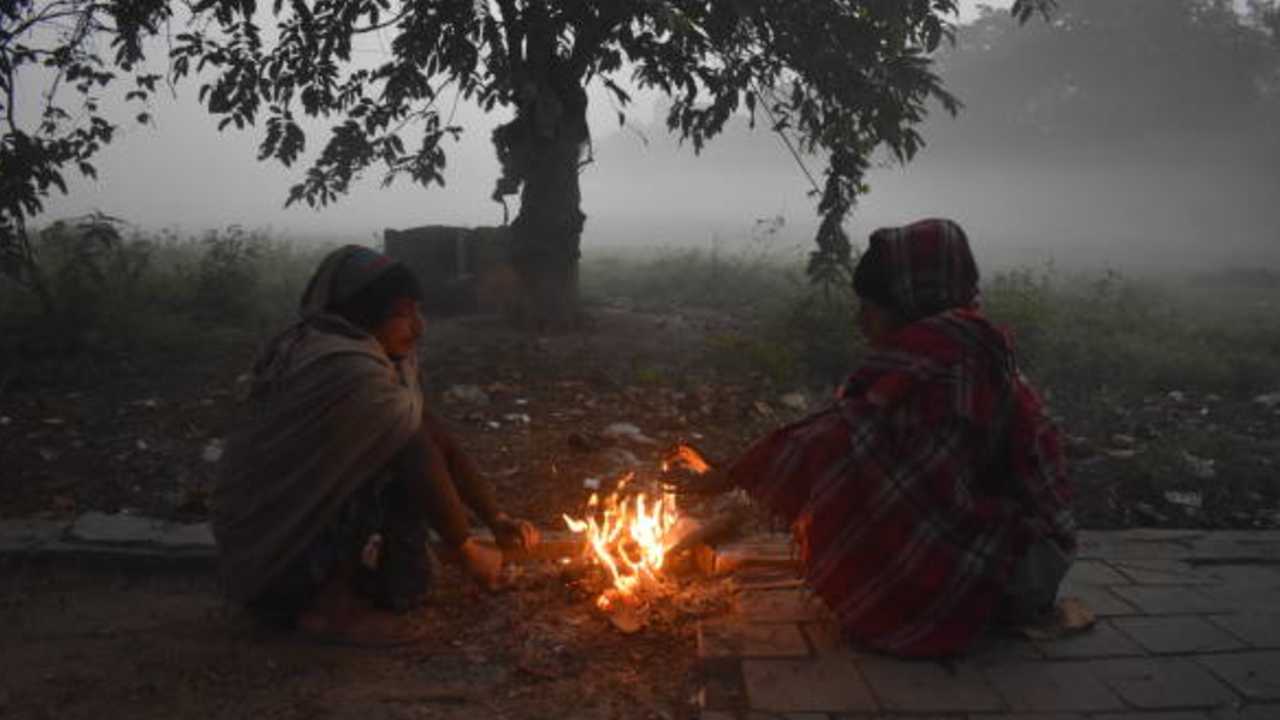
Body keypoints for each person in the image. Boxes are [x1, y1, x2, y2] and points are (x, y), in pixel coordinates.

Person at [667, 219, 1075, 658]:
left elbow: (838, 442)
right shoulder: (968, 347)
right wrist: (738, 468)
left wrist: (731, 474)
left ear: (910, 304)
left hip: (1010, 571)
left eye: (871, 307)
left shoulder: (943, 369)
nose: (860, 320)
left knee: (857, 482)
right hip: (1033, 557)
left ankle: (923, 606)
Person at [213, 245, 539, 646]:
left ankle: (361, 588)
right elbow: (415, 445)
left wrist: (495, 517)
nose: (418, 327)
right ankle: (325, 611)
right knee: (400, 463)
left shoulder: (370, 356)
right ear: (363, 314)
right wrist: (466, 548)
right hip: (274, 555)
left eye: (418, 310)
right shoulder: (342, 368)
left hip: (288, 544)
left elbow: (435, 435)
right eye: (402, 314)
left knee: (410, 557)